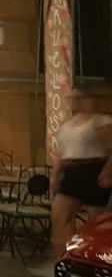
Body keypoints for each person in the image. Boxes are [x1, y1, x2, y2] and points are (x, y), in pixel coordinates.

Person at [50, 89, 112, 260]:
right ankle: (62, 259)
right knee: (59, 218)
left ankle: (93, 260)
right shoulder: (66, 125)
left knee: (95, 223)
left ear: (88, 100)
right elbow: (60, 153)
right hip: (72, 172)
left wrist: (108, 170)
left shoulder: (99, 121)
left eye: (78, 99)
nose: (74, 103)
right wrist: (55, 175)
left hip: (93, 170)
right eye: (71, 99)